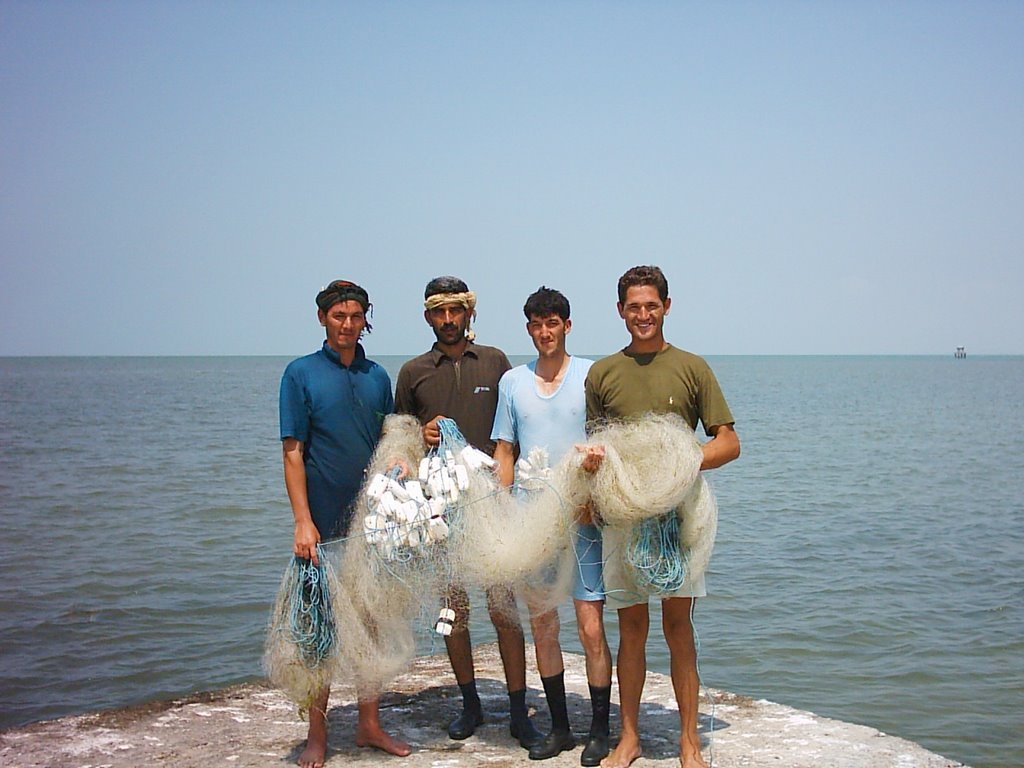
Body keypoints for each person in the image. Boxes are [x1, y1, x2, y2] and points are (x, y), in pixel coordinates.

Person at [581, 266, 740, 768]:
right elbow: (595, 446)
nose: (643, 315)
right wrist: (590, 472)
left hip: (680, 515)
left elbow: (729, 442)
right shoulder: (602, 373)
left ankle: (690, 743)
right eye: (634, 306)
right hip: (625, 516)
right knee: (630, 628)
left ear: (666, 307)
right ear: (620, 310)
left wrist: (682, 460)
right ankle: (629, 739)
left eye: (652, 305)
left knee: (678, 627)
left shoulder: (692, 367)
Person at [394, 276, 544, 750]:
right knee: (452, 610)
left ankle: (519, 711)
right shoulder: (413, 372)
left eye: (456, 310)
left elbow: (515, 430)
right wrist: (421, 434)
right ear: (427, 317)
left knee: (504, 608)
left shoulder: (498, 363)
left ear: (469, 313)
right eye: (439, 312)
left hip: (492, 503)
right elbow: (399, 442)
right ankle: (470, 703)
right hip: (441, 510)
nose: (448, 319)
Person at [279, 280, 411, 768]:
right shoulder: (300, 374)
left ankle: (368, 723)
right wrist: (302, 522)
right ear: (322, 319)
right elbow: (292, 453)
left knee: (371, 625)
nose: (348, 325)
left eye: (356, 316)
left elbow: (390, 441)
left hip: (374, 523)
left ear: (365, 320)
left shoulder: (378, 375)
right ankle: (317, 734)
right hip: (322, 526)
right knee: (322, 631)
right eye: (339, 316)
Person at [489, 286, 614, 765]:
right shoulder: (512, 382)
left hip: (583, 518)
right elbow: (505, 451)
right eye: (537, 324)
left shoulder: (590, 375)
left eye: (553, 323)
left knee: (590, 626)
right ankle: (561, 729)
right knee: (543, 625)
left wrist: (597, 491)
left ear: (567, 325)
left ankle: (599, 732)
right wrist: (502, 510)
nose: (546, 332)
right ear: (529, 329)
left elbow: (605, 442)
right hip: (529, 518)